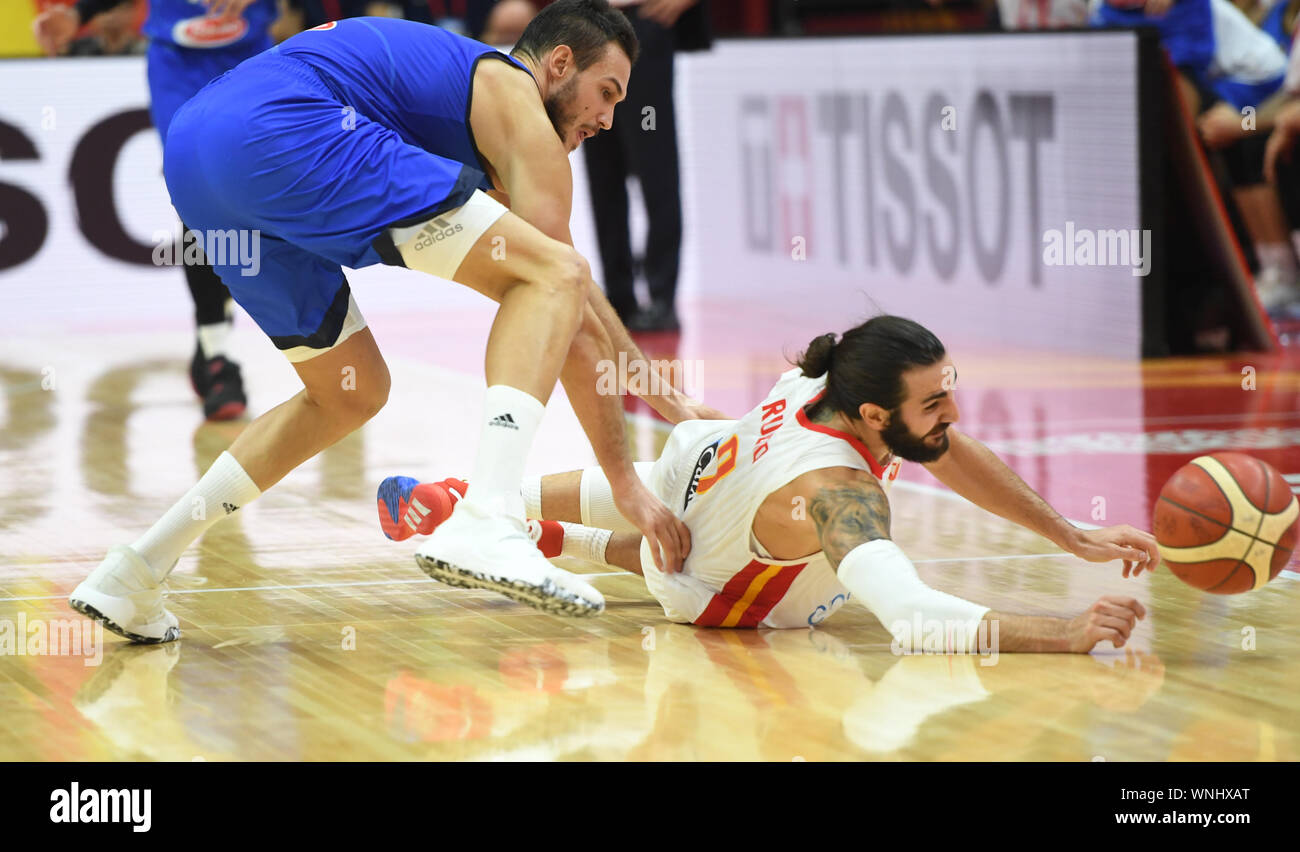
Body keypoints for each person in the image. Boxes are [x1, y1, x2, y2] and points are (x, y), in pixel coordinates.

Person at [69, 1, 716, 644]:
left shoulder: (470, 93)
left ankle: (136, 571)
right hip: (285, 127)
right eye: (606, 93)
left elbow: (568, 283)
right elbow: (564, 289)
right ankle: (489, 517)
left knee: (349, 391)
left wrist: (655, 387)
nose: (607, 118)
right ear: (558, 63)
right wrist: (628, 479)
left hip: (196, 154)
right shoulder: (517, 102)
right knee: (549, 277)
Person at [381, 315, 1160, 652]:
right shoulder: (838, 490)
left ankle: (483, 501)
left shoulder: (817, 375)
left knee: (668, 477)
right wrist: (1064, 630)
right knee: (694, 558)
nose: (954, 411)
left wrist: (1068, 534)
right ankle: (545, 533)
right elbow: (916, 620)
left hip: (697, 465)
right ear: (871, 413)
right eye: (935, 400)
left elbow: (949, 448)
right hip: (705, 587)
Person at [33, 0, 278, 420]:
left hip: (250, 54)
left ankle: (212, 349)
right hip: (178, 63)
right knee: (197, 187)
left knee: (246, 202)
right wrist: (82, 13)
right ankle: (219, 355)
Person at [580, 0, 710, 332]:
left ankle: (662, 297)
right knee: (602, 170)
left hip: (640, 24)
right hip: (587, 26)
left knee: (655, 164)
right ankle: (618, 298)